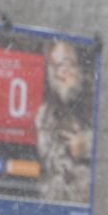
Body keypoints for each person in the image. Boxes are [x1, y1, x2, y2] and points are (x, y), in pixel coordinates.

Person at [36, 39, 94, 202]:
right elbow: (50, 161)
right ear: (52, 72)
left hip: (88, 199)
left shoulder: (94, 104)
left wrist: (85, 145)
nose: (66, 71)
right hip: (57, 200)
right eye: (60, 65)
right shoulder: (45, 114)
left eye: (70, 63)